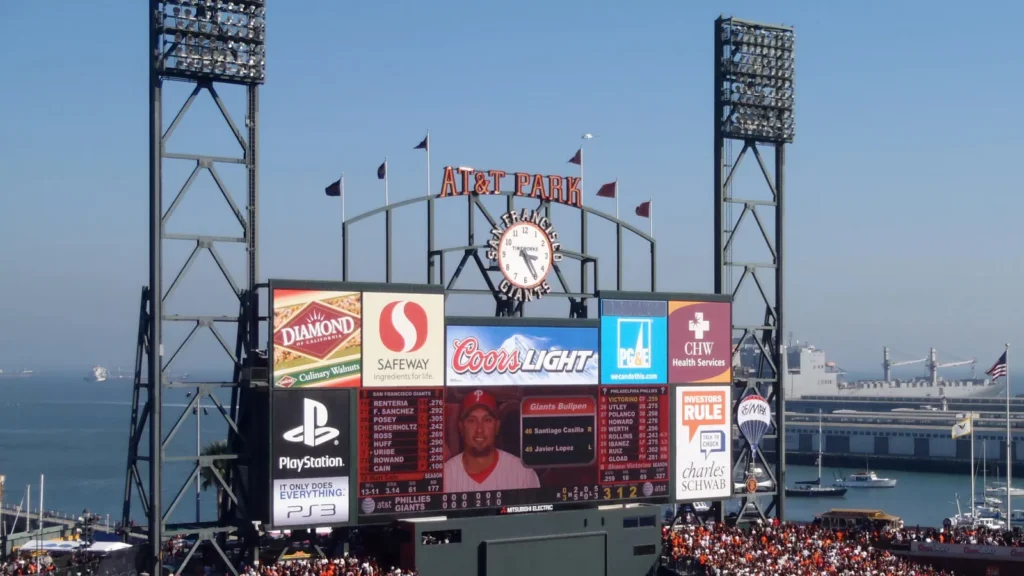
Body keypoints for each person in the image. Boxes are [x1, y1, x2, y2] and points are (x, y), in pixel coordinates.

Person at [444, 389, 540, 491]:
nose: (479, 429)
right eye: (472, 421)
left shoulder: (523, 473)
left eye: (487, 420)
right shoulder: (445, 475)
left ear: (497, 426)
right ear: (461, 428)